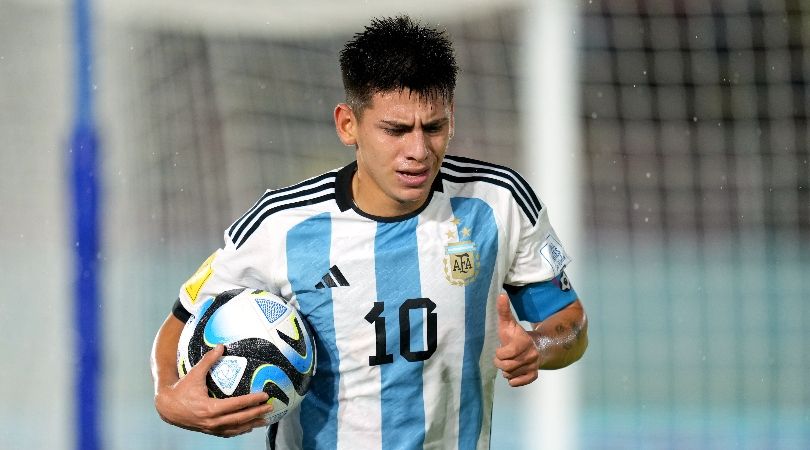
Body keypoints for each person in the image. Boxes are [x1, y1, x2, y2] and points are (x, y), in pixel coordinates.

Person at [151, 15, 588, 450]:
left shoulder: (499, 203)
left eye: (433, 127)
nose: (418, 151)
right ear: (348, 125)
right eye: (395, 130)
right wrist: (169, 399)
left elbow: (570, 324)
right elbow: (181, 320)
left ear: (451, 118)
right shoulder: (279, 225)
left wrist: (539, 344)